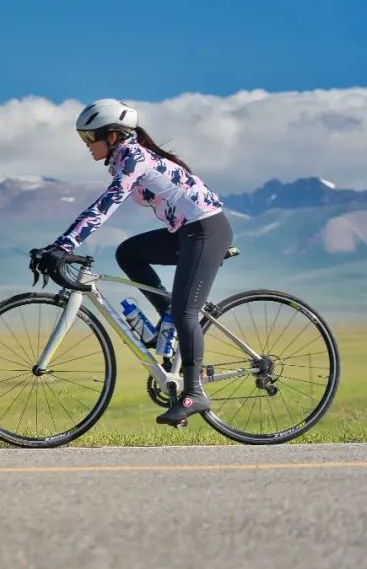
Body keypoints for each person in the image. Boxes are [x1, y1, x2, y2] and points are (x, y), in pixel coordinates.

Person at [33, 99, 233, 426]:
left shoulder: (133, 156)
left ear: (112, 136)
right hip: (184, 232)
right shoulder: (124, 159)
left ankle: (194, 393)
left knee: (187, 312)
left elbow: (105, 206)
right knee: (128, 252)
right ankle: (165, 322)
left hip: (206, 230)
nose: (86, 146)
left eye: (89, 138)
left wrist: (63, 245)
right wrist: (60, 245)